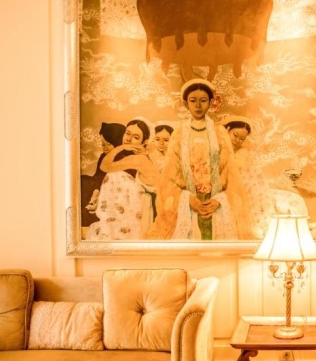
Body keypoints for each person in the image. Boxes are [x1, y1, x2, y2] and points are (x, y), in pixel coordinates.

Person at [148, 79, 248, 240]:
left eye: (203, 100)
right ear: (186, 104)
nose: (198, 106)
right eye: (193, 100)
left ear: (210, 102)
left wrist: (219, 200)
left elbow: (231, 174)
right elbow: (168, 178)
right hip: (188, 204)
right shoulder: (179, 133)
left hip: (215, 204)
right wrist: (187, 199)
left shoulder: (220, 132)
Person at [86, 117, 160, 240]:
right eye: (127, 133)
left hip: (146, 204)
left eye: (136, 137)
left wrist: (120, 147)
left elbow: (105, 166)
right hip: (139, 201)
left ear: (144, 142)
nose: (128, 139)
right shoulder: (139, 155)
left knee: (115, 175)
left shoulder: (139, 159)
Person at [81, 122, 125, 227]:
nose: (104, 148)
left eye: (109, 144)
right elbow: (98, 177)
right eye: (102, 144)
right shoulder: (103, 156)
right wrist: (95, 195)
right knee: (84, 181)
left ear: (118, 143)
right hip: (101, 187)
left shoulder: (124, 158)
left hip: (116, 191)